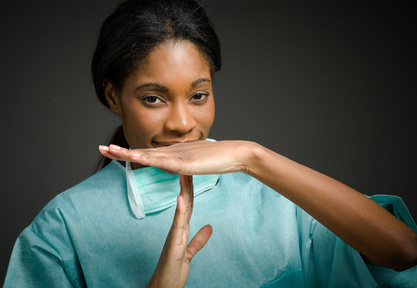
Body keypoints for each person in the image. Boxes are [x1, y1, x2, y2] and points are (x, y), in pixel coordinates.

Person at [4, 0, 417, 287]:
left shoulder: (280, 193)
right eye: (153, 98)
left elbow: (403, 253)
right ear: (114, 97)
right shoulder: (63, 229)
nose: (183, 123)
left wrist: (252, 157)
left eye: (198, 95)